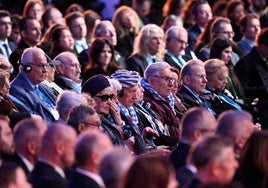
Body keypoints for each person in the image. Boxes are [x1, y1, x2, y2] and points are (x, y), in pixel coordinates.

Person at [111, 69, 159, 153]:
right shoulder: (113, 113)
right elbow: (130, 143)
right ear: (119, 94)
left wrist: (144, 133)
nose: (134, 97)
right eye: (131, 92)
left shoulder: (131, 109)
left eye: (135, 91)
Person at [9, 47, 60, 124]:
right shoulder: (16, 90)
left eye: (45, 65)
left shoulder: (44, 86)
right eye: (40, 65)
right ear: (27, 67)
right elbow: (36, 122)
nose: (45, 70)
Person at [141, 62, 184, 144]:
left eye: (172, 79)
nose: (171, 84)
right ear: (152, 81)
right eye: (166, 79)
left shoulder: (165, 97)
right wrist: (185, 132)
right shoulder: (147, 101)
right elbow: (162, 131)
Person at [82, 74, 128, 147]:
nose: (110, 102)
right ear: (90, 98)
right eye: (105, 97)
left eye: (111, 97)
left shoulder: (109, 116)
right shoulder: (89, 123)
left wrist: (119, 122)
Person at [235, 28, 268, 129]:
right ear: (262, 45)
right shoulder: (246, 62)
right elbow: (242, 89)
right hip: (258, 106)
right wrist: (265, 90)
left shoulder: (265, 60)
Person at [30, 124, 77, 188]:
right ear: (60, 148)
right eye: (73, 147)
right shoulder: (57, 184)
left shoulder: (30, 174)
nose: (75, 152)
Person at [170, 107, 217, 171]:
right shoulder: (198, 166)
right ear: (198, 134)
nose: (215, 136)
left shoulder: (170, 158)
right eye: (213, 131)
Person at [209, 36, 245, 103]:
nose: (230, 56)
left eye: (231, 52)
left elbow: (240, 93)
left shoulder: (231, 69)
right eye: (226, 52)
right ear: (217, 51)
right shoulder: (212, 70)